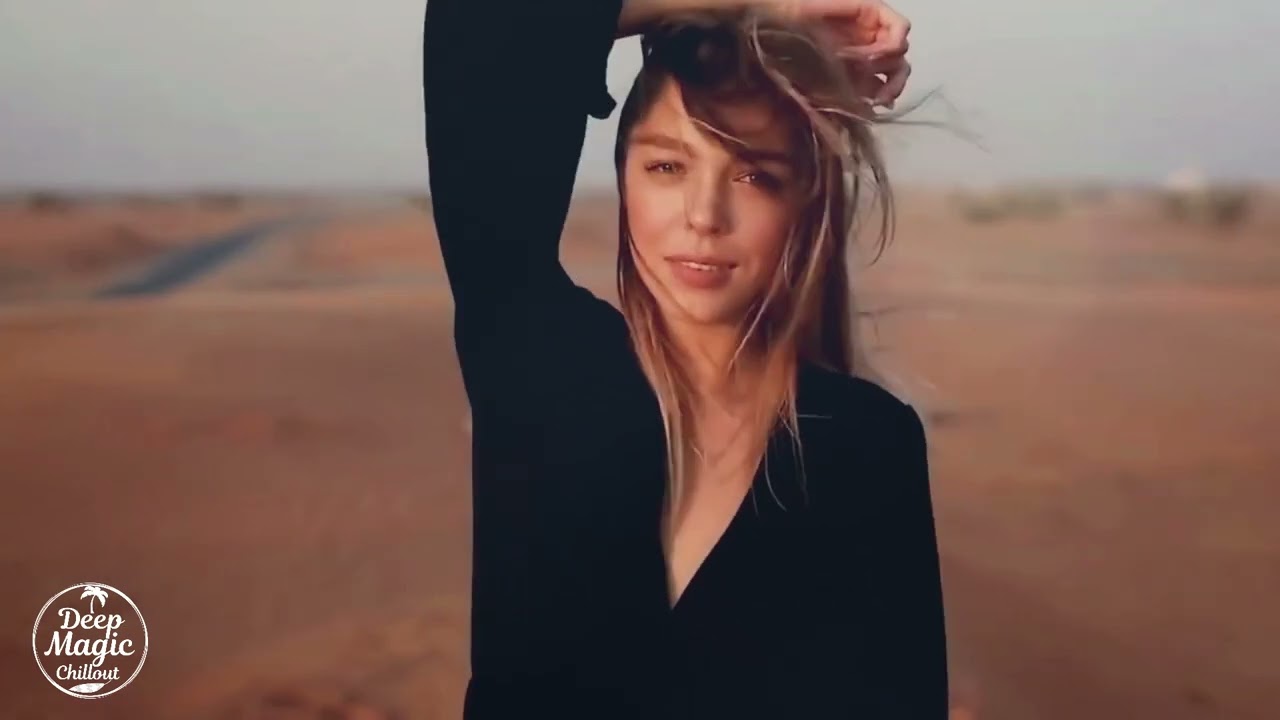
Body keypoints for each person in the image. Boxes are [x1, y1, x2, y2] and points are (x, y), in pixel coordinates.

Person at [422, 0, 946, 717]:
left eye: (753, 175)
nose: (704, 215)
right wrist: (765, 6)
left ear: (806, 201)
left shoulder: (868, 445)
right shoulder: (542, 363)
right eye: (667, 165)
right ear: (625, 177)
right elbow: (488, 19)